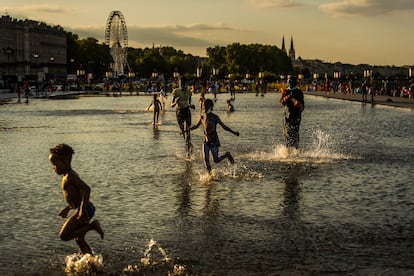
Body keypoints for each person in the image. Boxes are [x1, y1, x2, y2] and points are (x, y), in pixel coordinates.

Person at [49, 144, 104, 255]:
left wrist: (82, 210)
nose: (53, 168)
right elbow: (76, 196)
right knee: (79, 239)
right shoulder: (67, 175)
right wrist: (68, 208)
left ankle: (92, 226)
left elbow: (86, 189)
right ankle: (91, 261)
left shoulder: (70, 176)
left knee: (64, 236)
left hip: (84, 209)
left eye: (55, 164)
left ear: (65, 161)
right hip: (82, 208)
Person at [190, 99, 239, 174]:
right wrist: (187, 130)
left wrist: (234, 132)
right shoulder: (202, 117)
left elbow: (224, 127)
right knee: (205, 160)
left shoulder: (215, 117)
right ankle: (210, 175)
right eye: (203, 106)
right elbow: (196, 126)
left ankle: (227, 155)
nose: (204, 108)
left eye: (206, 106)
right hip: (205, 141)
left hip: (214, 141)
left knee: (216, 160)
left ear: (210, 107)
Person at [278, 76, 304, 151]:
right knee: (287, 133)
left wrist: (293, 99)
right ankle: (287, 150)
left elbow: (301, 106)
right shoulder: (285, 91)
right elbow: (280, 103)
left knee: (295, 132)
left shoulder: (298, 92)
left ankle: (296, 150)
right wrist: (284, 99)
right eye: (289, 82)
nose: (290, 83)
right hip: (286, 116)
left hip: (295, 115)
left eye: (291, 82)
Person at [171, 76, 195, 156]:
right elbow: (171, 105)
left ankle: (188, 151)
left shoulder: (188, 91)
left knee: (188, 131)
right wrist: (175, 102)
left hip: (187, 111)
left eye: (183, 83)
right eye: (180, 82)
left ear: (186, 83)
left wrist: (191, 106)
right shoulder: (176, 91)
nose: (182, 84)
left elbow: (190, 103)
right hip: (179, 112)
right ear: (178, 83)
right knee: (183, 131)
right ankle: (189, 145)